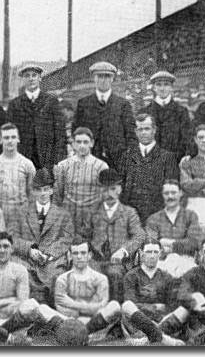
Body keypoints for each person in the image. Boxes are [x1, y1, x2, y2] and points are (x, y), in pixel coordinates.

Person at [78, 169, 146, 302]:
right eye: (105, 190)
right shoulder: (92, 212)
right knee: (89, 273)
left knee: (114, 274)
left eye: (113, 189)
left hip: (119, 262)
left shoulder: (129, 213)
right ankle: (92, 313)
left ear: (119, 189)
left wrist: (124, 251)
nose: (109, 194)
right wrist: (86, 251)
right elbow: (83, 236)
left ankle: (116, 312)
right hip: (96, 259)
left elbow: (139, 235)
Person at [16, 168, 74, 304]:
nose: (43, 193)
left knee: (57, 276)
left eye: (46, 189)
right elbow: (12, 237)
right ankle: (26, 313)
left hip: (52, 260)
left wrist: (48, 254)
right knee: (20, 272)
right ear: (34, 191)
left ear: (52, 190)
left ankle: (53, 312)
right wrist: (29, 250)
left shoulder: (63, 214)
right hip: (27, 259)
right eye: (39, 189)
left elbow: (66, 239)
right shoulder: (21, 212)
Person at [119, 240, 186, 346]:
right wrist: (155, 307)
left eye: (155, 252)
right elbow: (131, 302)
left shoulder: (167, 277)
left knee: (184, 309)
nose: (152, 256)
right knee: (127, 306)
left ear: (160, 253)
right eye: (149, 252)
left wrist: (156, 312)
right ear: (141, 253)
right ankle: (164, 339)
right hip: (138, 322)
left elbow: (170, 306)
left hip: (161, 321)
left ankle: (148, 338)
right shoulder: (131, 276)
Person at [72, 61, 136, 172]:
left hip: (118, 161)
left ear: (112, 79)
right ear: (94, 78)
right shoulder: (83, 103)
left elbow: (131, 135)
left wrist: (128, 159)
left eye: (107, 76)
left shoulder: (123, 104)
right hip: (90, 159)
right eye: (99, 76)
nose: (103, 80)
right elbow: (76, 131)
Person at [54, 241, 123, 341]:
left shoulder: (101, 278)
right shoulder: (62, 279)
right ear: (70, 255)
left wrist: (73, 304)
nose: (79, 257)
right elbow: (60, 306)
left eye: (83, 253)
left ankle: (81, 333)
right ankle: (83, 334)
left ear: (89, 255)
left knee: (114, 306)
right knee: (42, 309)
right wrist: (83, 310)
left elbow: (101, 306)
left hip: (92, 320)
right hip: (70, 320)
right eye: (75, 253)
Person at [119, 113, 179, 221]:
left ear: (154, 130)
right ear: (136, 132)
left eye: (147, 129)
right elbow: (121, 187)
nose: (143, 133)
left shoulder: (167, 157)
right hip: (131, 216)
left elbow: (171, 189)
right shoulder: (127, 156)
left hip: (158, 215)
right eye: (140, 129)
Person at [8, 64, 68, 170]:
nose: (31, 79)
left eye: (34, 75)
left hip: (47, 159)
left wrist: (59, 161)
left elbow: (60, 133)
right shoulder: (15, 104)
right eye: (27, 76)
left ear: (40, 78)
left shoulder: (51, 101)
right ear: (23, 79)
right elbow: (10, 134)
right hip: (23, 158)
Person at [53, 127, 109, 233]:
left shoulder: (102, 166)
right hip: (69, 219)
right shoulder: (63, 166)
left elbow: (105, 197)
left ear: (91, 143)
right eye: (78, 142)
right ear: (73, 144)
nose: (82, 146)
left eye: (85, 142)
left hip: (92, 220)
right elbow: (57, 197)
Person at [0, 123, 36, 233]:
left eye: (13, 137)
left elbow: (31, 195)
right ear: (0, 140)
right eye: (6, 138)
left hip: (21, 219)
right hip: (0, 219)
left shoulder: (27, 165)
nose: (10, 141)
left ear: (18, 139)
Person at [141, 70, 193, 160]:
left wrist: (187, 154)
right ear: (153, 87)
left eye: (166, 84)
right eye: (159, 84)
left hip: (176, 161)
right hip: (151, 162)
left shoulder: (181, 111)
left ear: (171, 88)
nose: (162, 88)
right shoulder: (145, 112)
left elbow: (187, 137)